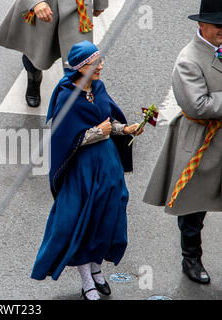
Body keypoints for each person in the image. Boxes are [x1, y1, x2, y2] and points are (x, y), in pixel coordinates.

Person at [30, 41, 143, 300]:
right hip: (81, 169)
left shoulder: (99, 88)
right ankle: (86, 280)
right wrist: (95, 133)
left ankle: (96, 268)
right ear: (81, 67)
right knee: (82, 219)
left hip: (108, 165)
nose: (101, 66)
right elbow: (63, 137)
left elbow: (108, 120)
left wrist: (125, 129)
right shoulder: (66, 96)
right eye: (95, 63)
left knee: (109, 213)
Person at [143, 0, 222, 285]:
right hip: (202, 139)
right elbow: (199, 105)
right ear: (201, 25)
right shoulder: (188, 59)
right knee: (193, 207)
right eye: (218, 26)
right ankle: (191, 256)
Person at [0, 0, 108, 107]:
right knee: (35, 52)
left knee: (81, 61)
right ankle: (34, 77)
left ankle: (79, 104)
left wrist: (100, 2)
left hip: (77, 7)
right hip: (44, 6)